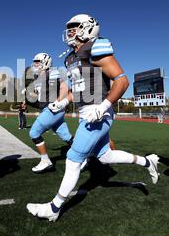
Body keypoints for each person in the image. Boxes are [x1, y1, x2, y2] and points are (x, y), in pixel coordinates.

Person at [26, 14, 159, 221]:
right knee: (105, 156)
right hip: (85, 113)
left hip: (98, 113)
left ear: (88, 28)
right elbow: (76, 89)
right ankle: (147, 162)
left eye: (75, 27)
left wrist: (104, 106)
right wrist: (62, 102)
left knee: (72, 160)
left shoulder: (96, 47)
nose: (70, 32)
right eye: (68, 28)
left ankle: (54, 208)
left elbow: (122, 81)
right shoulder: (70, 57)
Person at [24, 53, 74, 173]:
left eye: (38, 61)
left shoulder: (52, 72)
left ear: (45, 62)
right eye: (35, 61)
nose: (35, 64)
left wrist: (58, 101)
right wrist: (30, 95)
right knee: (66, 137)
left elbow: (64, 88)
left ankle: (46, 161)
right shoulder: (38, 77)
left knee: (34, 132)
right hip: (49, 109)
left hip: (52, 109)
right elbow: (41, 96)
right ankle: (85, 156)